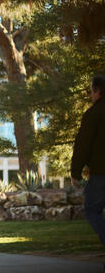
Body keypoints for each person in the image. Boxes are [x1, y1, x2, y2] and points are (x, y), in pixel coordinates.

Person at [71, 74, 105, 246]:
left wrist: (75, 172)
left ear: (97, 91)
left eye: (91, 91)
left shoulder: (93, 114)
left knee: (92, 210)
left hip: (100, 173)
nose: (91, 96)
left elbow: (82, 145)